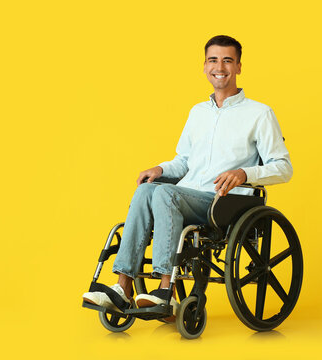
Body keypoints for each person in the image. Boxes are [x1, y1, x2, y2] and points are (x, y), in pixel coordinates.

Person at [82, 35, 293, 318]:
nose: (220, 66)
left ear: (239, 66)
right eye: (213, 60)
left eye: (227, 60)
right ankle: (123, 288)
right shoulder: (198, 113)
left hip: (224, 203)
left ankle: (164, 291)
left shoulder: (259, 114)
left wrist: (245, 173)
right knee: (148, 189)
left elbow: (283, 167)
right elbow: (183, 162)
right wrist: (160, 169)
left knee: (165, 194)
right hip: (186, 196)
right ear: (204, 67)